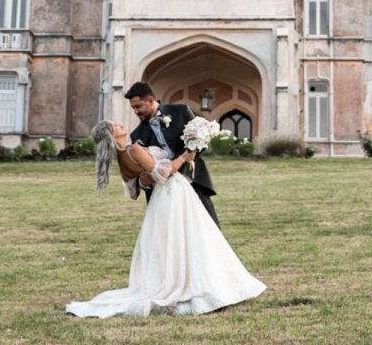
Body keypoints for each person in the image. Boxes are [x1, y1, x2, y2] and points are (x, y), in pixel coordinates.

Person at [66, 121, 266, 318]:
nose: (120, 125)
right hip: (172, 193)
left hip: (160, 202)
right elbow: (163, 172)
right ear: (112, 135)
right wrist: (185, 157)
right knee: (192, 237)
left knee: (178, 240)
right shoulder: (133, 149)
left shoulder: (122, 159)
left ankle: (190, 280)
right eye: (115, 126)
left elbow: (134, 190)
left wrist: (145, 178)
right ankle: (199, 286)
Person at [124, 81, 220, 227]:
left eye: (138, 106)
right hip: (165, 191)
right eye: (133, 108)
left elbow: (201, 139)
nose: (136, 111)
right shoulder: (137, 135)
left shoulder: (181, 111)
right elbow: (144, 170)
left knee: (210, 230)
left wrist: (189, 155)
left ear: (150, 101)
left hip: (194, 182)